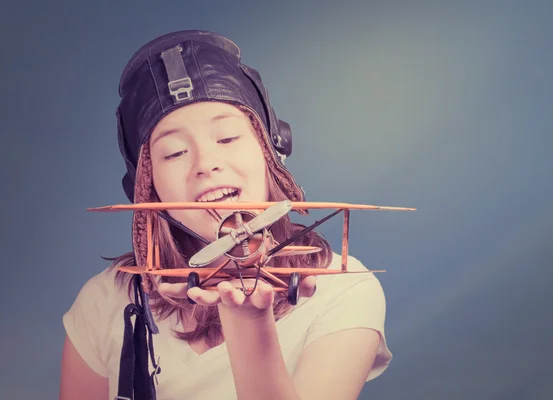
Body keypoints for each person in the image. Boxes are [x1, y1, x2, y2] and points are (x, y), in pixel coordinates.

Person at [59, 30, 391, 400]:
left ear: (271, 152)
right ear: (146, 187)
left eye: (227, 138)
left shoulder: (344, 289)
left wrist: (248, 322)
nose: (207, 164)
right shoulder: (106, 299)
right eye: (174, 153)